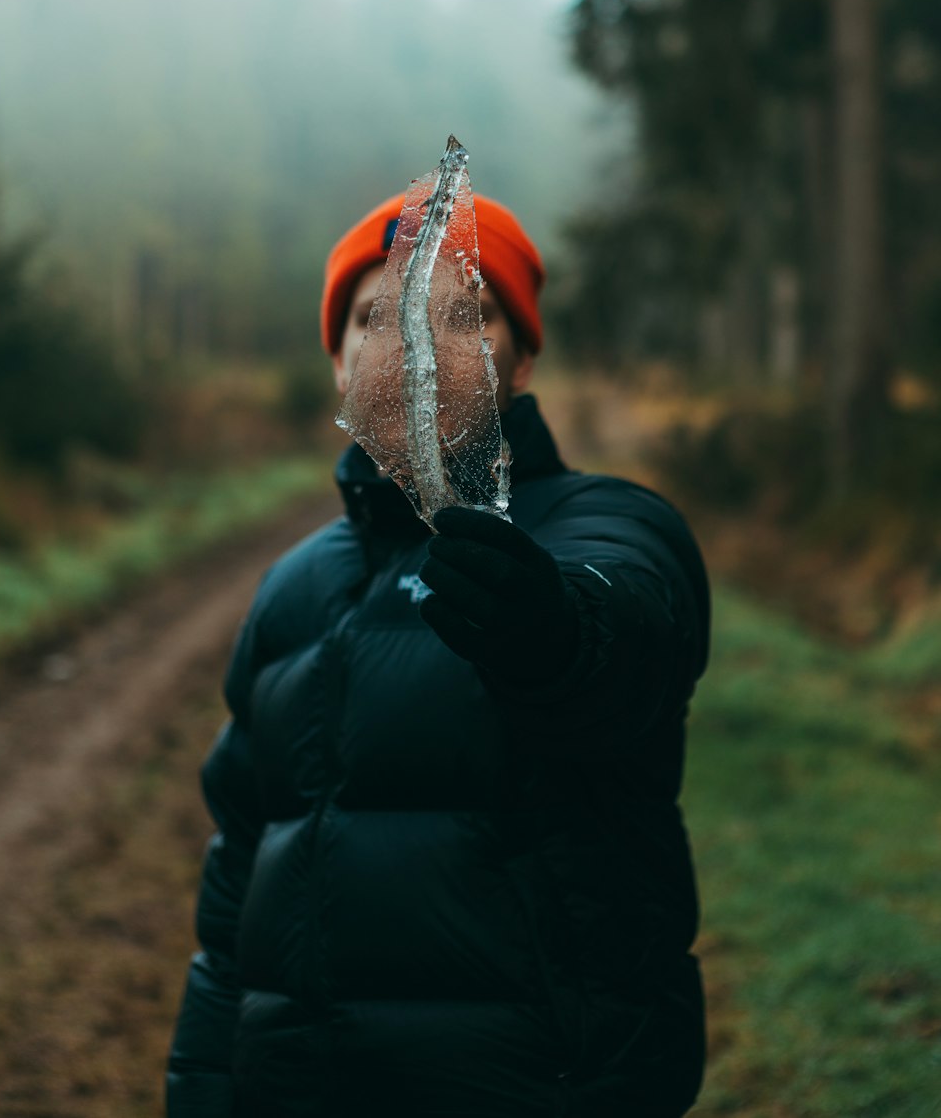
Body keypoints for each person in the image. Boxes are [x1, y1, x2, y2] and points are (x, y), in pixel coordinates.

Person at [166, 191, 710, 1118]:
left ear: (523, 357)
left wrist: (550, 631)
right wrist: (207, 1087)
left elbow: (625, 635)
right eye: (377, 317)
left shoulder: (605, 524)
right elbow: (235, 899)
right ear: (340, 364)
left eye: (464, 312)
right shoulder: (291, 589)